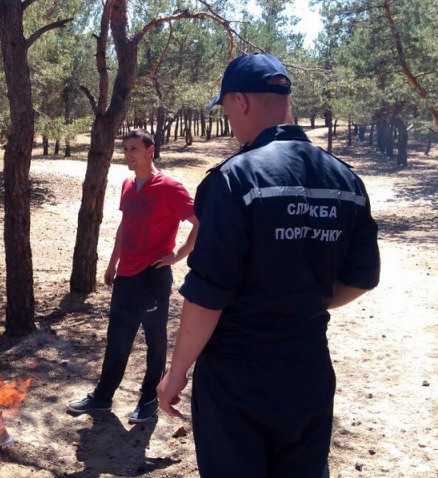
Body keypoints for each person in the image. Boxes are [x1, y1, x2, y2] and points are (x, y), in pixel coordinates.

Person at [156, 54, 380, 478]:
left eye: (226, 112)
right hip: (309, 369)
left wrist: (177, 372)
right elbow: (362, 278)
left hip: (237, 377)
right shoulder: (345, 179)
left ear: (240, 101)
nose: (230, 125)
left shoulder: (234, 179)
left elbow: (208, 294)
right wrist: (301, 303)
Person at [68, 128, 199, 424]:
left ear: (150, 150)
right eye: (125, 149)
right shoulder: (128, 184)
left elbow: (199, 222)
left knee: (155, 340)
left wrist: (178, 255)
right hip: (126, 275)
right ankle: (102, 397)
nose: (128, 154)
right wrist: (112, 263)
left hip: (153, 277)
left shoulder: (170, 187)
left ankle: (149, 400)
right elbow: (125, 225)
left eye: (134, 149)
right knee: (117, 338)